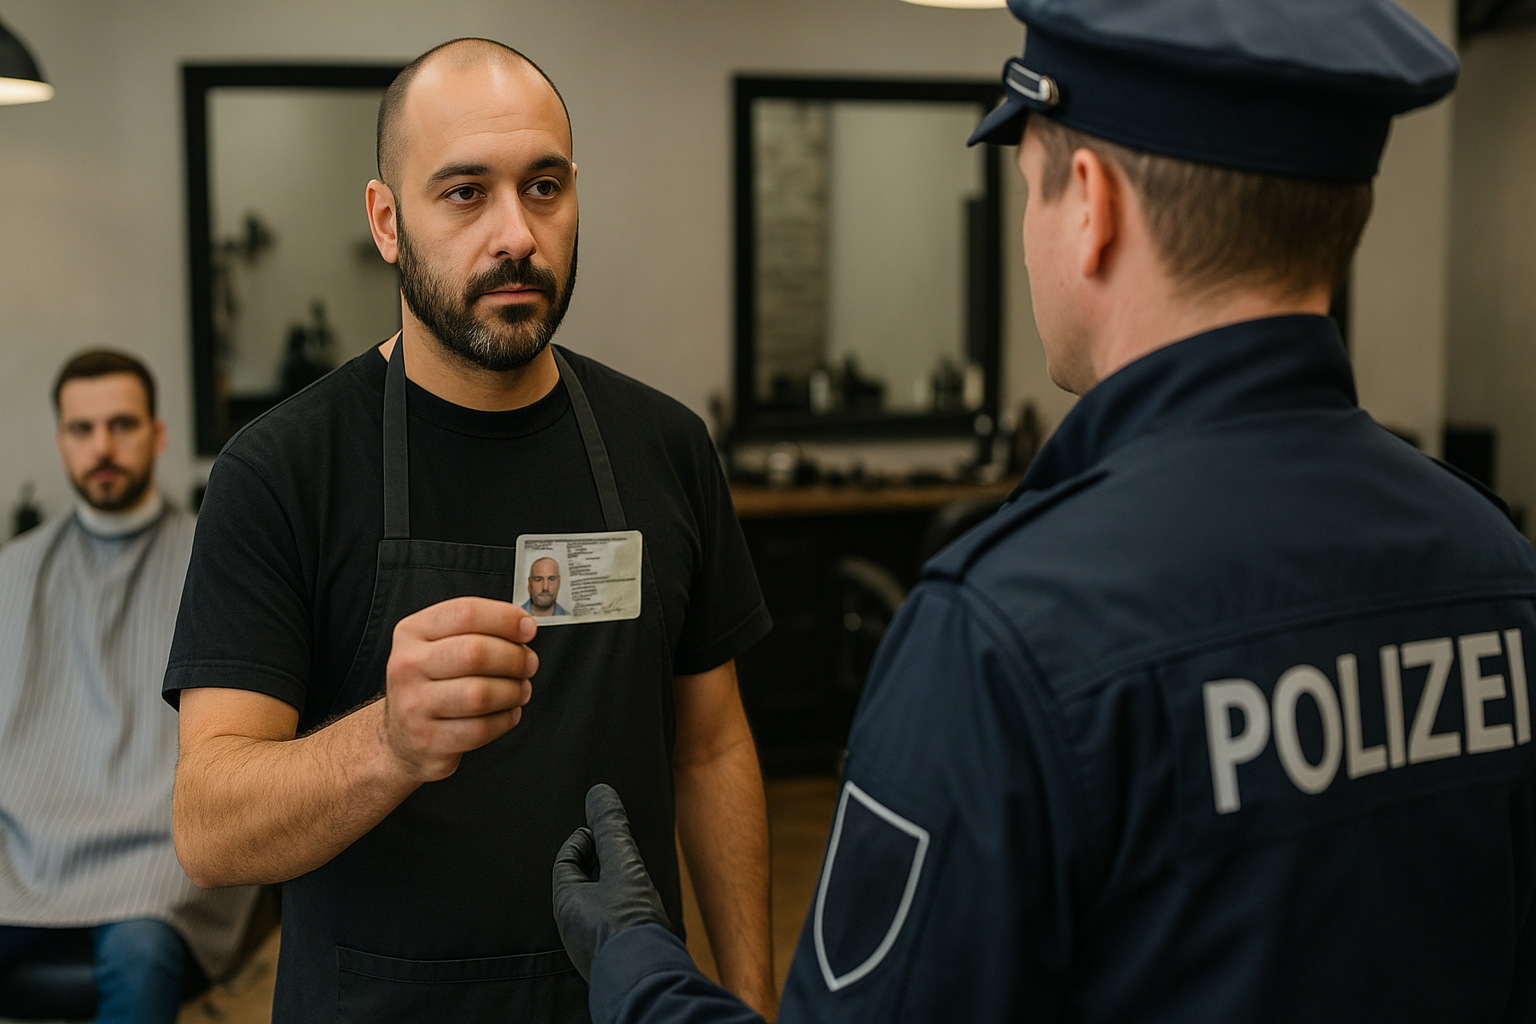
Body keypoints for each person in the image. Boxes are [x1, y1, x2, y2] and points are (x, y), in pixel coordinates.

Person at [551, 1, 1536, 1021]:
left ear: (1095, 206)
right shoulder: (1499, 570)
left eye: (1029, 189)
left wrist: (636, 964)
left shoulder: (1006, 635)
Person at [165, 37, 776, 1024]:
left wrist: (752, 999)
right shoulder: (282, 471)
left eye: (543, 187)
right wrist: (388, 742)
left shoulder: (666, 446)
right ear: (387, 220)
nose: (516, 234)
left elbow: (709, 751)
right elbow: (208, 826)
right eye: (463, 193)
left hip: (619, 1006)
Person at [0, 351, 257, 1024]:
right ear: (61, 441)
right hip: (28, 852)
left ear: (157, 433)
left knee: (140, 955)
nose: (102, 447)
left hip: (157, 852)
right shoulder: (14, 572)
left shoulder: (216, 561)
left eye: (122, 425)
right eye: (82, 431)